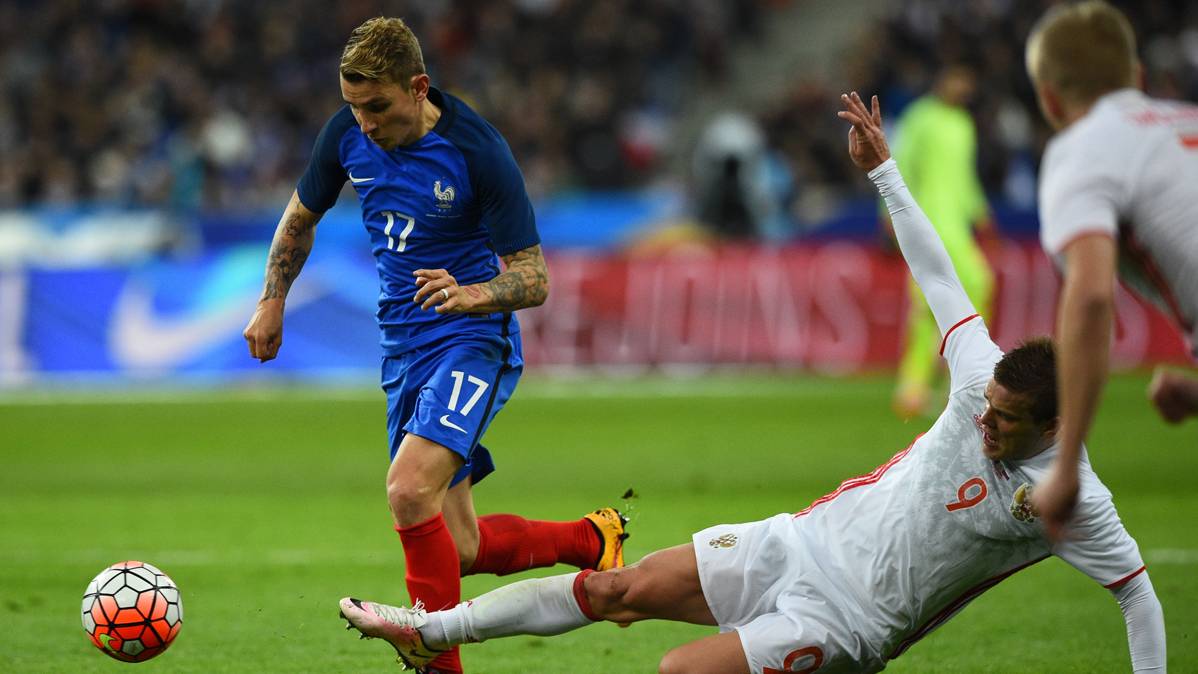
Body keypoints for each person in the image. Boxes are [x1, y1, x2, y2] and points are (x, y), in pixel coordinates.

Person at [335, 92, 1166, 674]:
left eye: (1008, 422)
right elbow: (939, 275)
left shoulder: (1073, 499)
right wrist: (883, 175)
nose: (987, 423)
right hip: (796, 542)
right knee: (617, 589)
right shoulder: (984, 375)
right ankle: (431, 628)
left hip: (849, 623)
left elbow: (1139, 600)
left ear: (1055, 427)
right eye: (988, 409)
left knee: (680, 671)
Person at [241, 17, 629, 674]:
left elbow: (533, 278)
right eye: (353, 107)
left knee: (408, 492)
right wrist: (271, 297)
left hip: (472, 340)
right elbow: (300, 218)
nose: (363, 123)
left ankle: (433, 663)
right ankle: (593, 539)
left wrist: (473, 294)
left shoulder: (478, 151)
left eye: (378, 106)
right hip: (402, 346)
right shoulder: (347, 134)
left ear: (418, 87)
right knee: (461, 547)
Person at [1024, 0, 1198, 538]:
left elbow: (1092, 295)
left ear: (1050, 99)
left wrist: (1067, 464)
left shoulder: (1082, 148)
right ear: (1137, 76)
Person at [887, 64, 997, 419]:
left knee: (979, 284)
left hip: (956, 225)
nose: (963, 86)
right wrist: (888, 213)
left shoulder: (963, 124)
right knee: (925, 304)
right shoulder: (919, 117)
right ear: (943, 79)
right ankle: (914, 387)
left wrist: (980, 211)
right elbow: (898, 165)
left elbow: (964, 178)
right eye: (958, 78)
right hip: (925, 221)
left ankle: (962, 379)